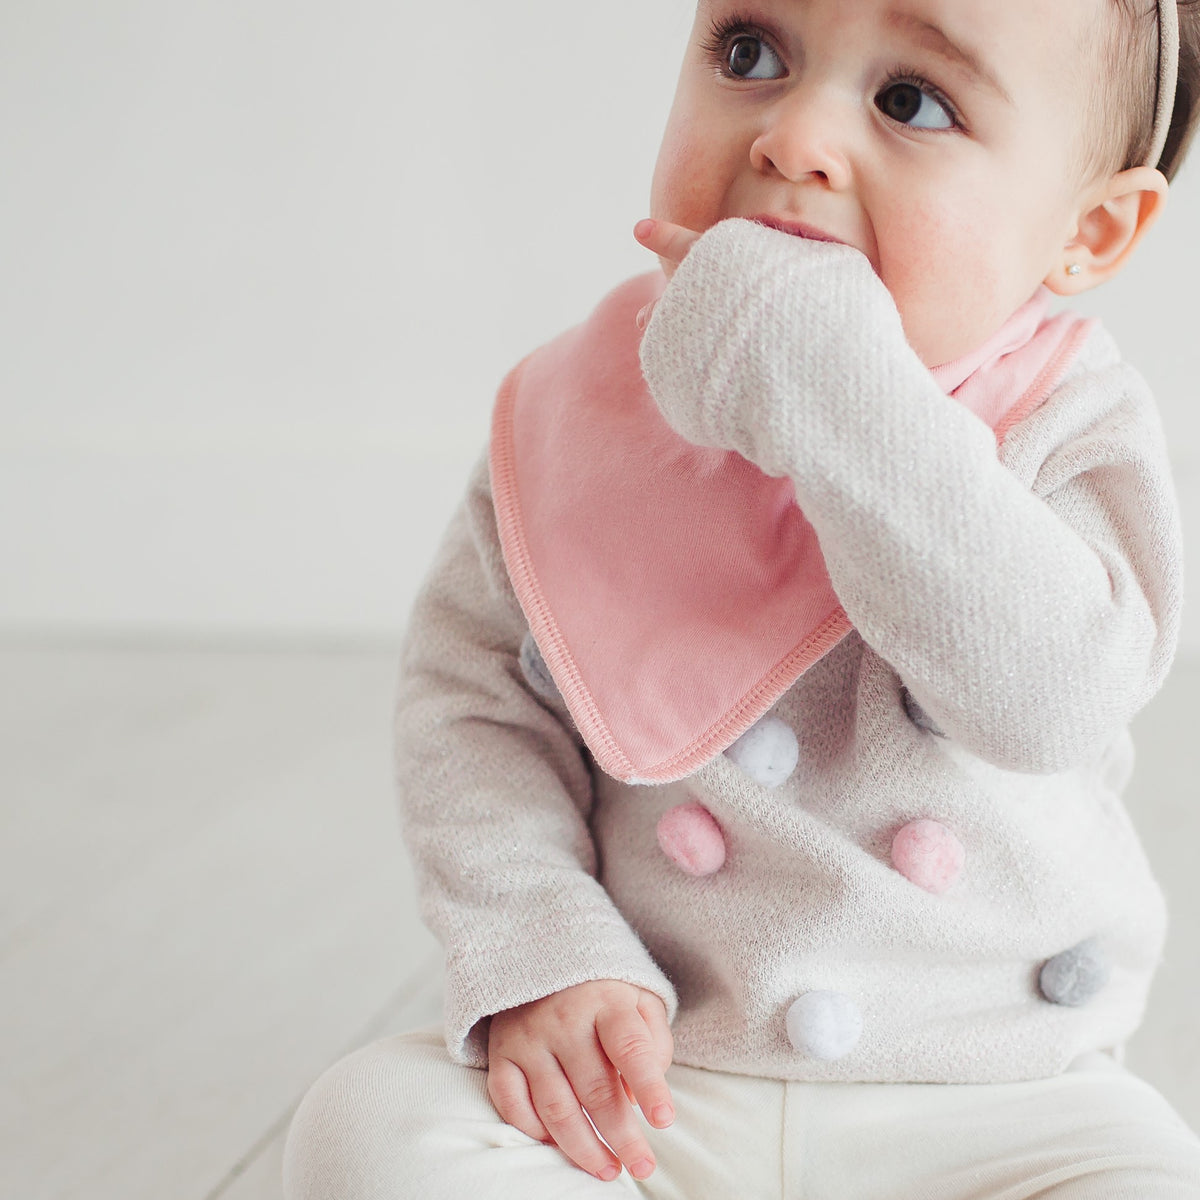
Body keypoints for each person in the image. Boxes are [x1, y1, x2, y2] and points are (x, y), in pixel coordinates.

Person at [283, 0, 1200, 1195]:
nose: (794, 135)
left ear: (1089, 229)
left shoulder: (1072, 421)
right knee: (363, 1124)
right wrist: (546, 952)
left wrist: (836, 391)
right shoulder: (585, 413)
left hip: (998, 1098)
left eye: (909, 100)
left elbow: (1053, 701)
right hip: (656, 1087)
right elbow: (473, 709)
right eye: (749, 54)